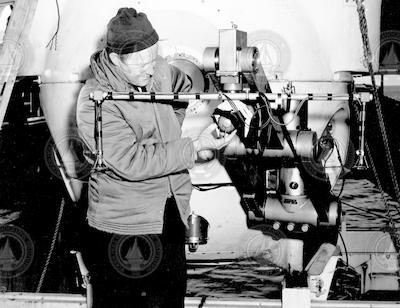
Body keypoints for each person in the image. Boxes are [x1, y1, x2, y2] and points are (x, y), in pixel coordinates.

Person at [76, 7, 236, 308]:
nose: (152, 69)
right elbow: (133, 162)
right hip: (123, 229)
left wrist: (218, 108)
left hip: (168, 213)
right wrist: (190, 147)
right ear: (114, 59)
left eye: (155, 56)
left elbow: (184, 88)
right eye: (142, 63)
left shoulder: (157, 68)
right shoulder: (95, 102)